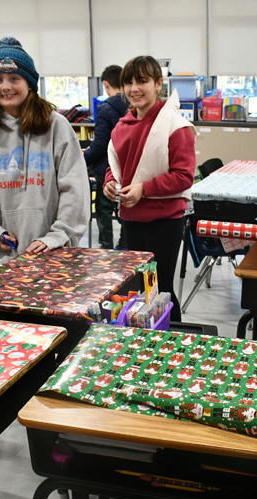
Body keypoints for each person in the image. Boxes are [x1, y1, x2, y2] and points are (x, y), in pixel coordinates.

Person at [0, 37, 90, 267]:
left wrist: (58, 236)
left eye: (14, 78)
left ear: (30, 83)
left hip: (55, 255)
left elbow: (75, 190)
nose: (6, 86)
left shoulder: (56, 126)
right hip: (4, 259)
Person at [103, 55, 196, 322]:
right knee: (140, 290)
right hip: (131, 220)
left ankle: (174, 339)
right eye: (129, 82)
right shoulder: (122, 126)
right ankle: (147, 340)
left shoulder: (174, 126)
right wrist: (110, 182)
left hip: (164, 221)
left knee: (161, 289)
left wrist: (143, 189)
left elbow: (183, 177)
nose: (134, 88)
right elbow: (116, 165)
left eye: (142, 81)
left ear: (158, 84)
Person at [84, 65, 129, 249]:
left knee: (104, 210)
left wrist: (82, 159)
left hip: (106, 168)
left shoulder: (105, 109)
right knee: (126, 208)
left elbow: (100, 145)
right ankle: (125, 244)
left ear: (105, 84)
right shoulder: (132, 106)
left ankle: (106, 248)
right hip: (127, 168)